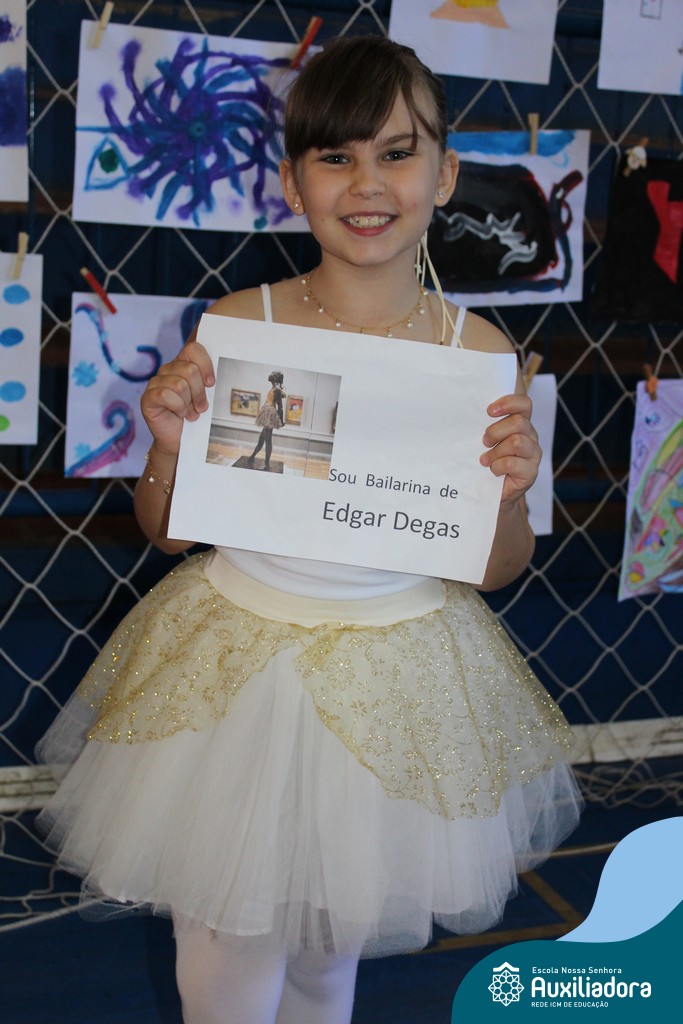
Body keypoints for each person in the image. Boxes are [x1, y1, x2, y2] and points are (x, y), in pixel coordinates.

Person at [37, 35, 582, 1024]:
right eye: (335, 156)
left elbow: (496, 568)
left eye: (396, 153)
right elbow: (167, 532)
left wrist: (509, 492)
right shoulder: (240, 324)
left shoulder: (478, 353)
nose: (366, 183)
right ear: (293, 183)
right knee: (226, 948)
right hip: (241, 670)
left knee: (332, 953)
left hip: (397, 674)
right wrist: (166, 446)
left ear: (443, 174)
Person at [247, 370, 286, 470]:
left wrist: (281, 420)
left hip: (270, 415)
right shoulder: (274, 388)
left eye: (274, 375)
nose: (271, 375)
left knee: (268, 439)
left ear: (276, 378)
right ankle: (252, 456)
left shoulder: (277, 390)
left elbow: (280, 406)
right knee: (262, 438)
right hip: (267, 413)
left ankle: (266, 463)